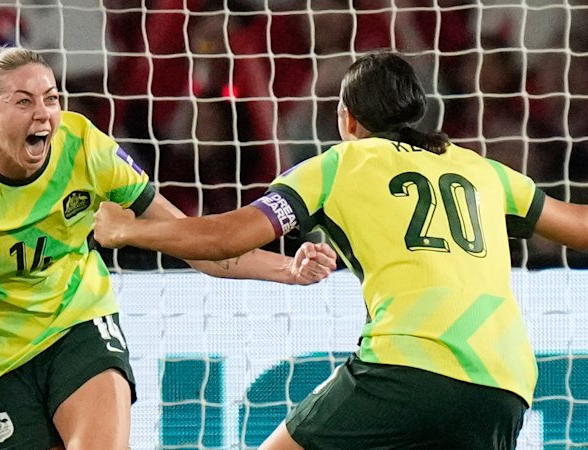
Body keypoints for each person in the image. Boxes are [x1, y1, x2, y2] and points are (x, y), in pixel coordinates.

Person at [0, 47, 337, 450]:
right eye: (24, 101)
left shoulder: (84, 149)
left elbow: (191, 240)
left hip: (77, 323)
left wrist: (285, 269)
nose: (44, 114)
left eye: (51, 99)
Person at [93, 51, 588, 449]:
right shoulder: (480, 168)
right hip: (503, 385)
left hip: (404, 369)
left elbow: (225, 238)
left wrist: (129, 231)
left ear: (346, 118)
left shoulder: (340, 164)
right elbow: (578, 225)